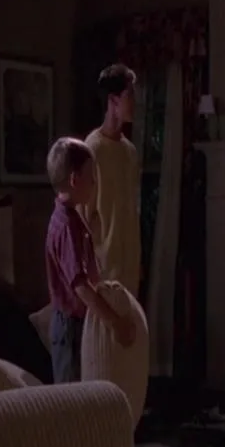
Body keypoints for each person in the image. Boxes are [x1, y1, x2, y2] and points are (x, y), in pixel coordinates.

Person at [44, 136, 136, 385]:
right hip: (70, 329)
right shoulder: (66, 226)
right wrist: (115, 323)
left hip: (76, 325)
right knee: (71, 398)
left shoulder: (73, 219)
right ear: (75, 180)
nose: (94, 182)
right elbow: (81, 286)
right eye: (91, 176)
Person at [82, 64, 142, 296]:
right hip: (103, 273)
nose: (135, 101)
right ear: (113, 100)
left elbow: (131, 211)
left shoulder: (130, 152)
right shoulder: (92, 150)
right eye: (130, 95)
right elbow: (83, 217)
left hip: (129, 271)